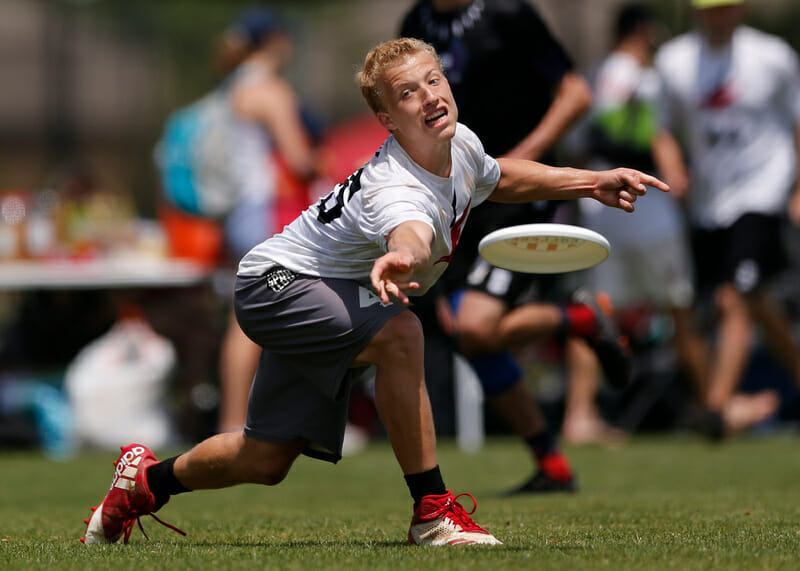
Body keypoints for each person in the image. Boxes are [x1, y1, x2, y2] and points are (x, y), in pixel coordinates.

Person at [81, 37, 666, 547]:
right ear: (387, 118)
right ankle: (433, 513)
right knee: (401, 332)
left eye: (433, 80)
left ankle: (144, 483)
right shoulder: (394, 184)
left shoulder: (458, 142)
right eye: (408, 93)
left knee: (265, 459)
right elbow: (407, 227)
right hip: (275, 286)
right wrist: (403, 254)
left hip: (317, 289)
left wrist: (592, 180)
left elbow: (497, 176)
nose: (430, 96)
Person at [400, 0, 624, 493]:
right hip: (458, 201)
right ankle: (553, 466)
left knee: (476, 327)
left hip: (517, 193)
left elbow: (576, 93)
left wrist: (522, 159)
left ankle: (580, 319)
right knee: (465, 332)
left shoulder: (507, 13)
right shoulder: (417, 23)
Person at [652, 0, 800, 436]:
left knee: (737, 294)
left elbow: (797, 121)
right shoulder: (673, 61)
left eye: (728, 7)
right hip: (708, 202)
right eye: (712, 9)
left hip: (763, 189)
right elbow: (661, 128)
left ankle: (716, 411)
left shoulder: (772, 56)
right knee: (754, 301)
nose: (720, 16)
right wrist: (673, 167)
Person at [569, 3, 708, 442]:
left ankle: (579, 415)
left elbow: (576, 150)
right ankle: (709, 405)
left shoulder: (590, 78)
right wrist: (676, 174)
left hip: (599, 212)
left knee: (594, 313)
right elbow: (656, 134)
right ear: (646, 33)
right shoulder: (648, 79)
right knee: (680, 309)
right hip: (648, 213)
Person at [206, 8, 321, 434]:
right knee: (275, 314)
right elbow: (298, 159)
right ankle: (248, 421)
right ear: (277, 40)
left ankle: (236, 420)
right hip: (265, 211)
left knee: (247, 317)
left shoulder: (231, 87)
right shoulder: (271, 90)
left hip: (238, 212)